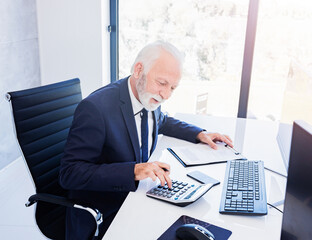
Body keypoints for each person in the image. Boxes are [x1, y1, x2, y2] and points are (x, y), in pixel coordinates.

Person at [59, 41, 233, 239]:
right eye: (162, 83)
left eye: (173, 88)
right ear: (138, 70)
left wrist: (198, 133)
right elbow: (69, 173)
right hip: (107, 210)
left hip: (140, 196)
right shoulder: (95, 109)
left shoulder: (147, 95)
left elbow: (161, 120)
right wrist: (133, 170)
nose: (166, 95)